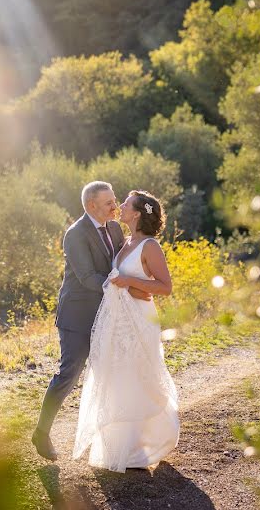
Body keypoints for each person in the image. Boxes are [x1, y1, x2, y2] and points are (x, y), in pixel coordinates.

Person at [32, 181, 150, 461]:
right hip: (77, 315)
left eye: (114, 200)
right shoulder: (75, 235)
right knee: (69, 374)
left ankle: (115, 442)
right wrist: (127, 288)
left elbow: (121, 264)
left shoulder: (114, 228)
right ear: (91, 206)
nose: (115, 205)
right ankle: (41, 431)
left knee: (111, 374)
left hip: (107, 313)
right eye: (109, 202)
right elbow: (87, 278)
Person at [72, 190, 179, 472]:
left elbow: (165, 287)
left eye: (126, 204)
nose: (120, 206)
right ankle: (120, 446)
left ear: (137, 214)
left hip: (140, 320)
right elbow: (123, 283)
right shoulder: (126, 241)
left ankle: (143, 446)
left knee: (139, 375)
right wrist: (129, 285)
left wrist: (130, 281)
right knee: (120, 376)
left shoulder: (150, 246)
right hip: (119, 321)